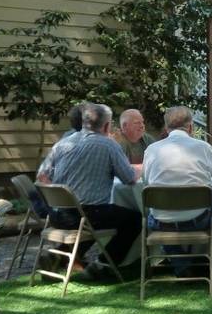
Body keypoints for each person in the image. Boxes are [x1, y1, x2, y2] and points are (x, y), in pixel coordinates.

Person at [48, 103, 142, 275]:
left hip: (56, 214)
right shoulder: (107, 144)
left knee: (94, 216)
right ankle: (102, 266)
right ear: (106, 126)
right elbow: (129, 178)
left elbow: (44, 176)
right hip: (85, 215)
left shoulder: (63, 143)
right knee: (134, 219)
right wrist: (142, 168)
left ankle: (60, 255)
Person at [143, 106, 212, 274]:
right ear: (191, 127)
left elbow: (146, 183)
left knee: (157, 215)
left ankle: (182, 265)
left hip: (161, 220)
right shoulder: (202, 148)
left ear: (166, 128)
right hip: (198, 217)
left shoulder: (152, 150)